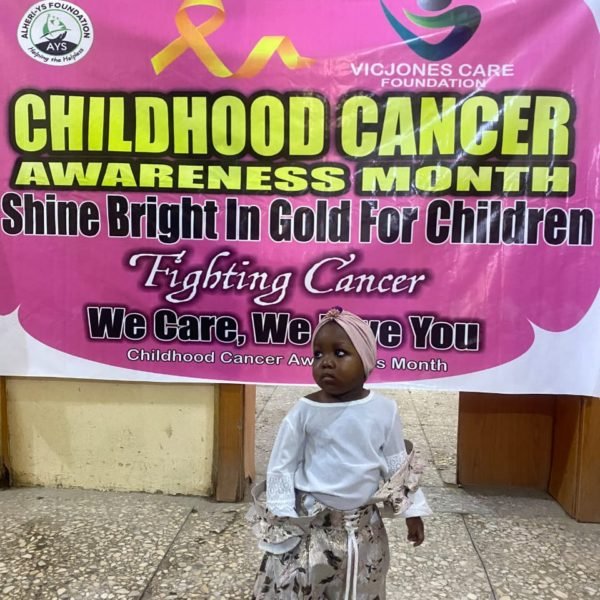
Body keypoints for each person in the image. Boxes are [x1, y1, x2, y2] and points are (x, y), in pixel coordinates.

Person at [248, 307, 432, 599]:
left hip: (365, 530)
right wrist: (284, 518)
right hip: (312, 529)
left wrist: (413, 512)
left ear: (366, 360)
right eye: (318, 355)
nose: (326, 362)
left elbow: (398, 467)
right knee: (303, 587)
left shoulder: (384, 411)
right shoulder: (304, 412)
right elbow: (281, 467)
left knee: (363, 587)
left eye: (340, 353)